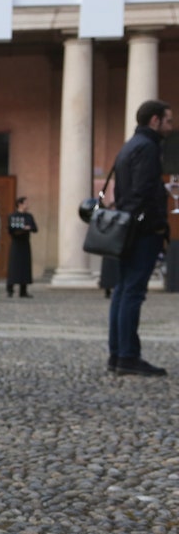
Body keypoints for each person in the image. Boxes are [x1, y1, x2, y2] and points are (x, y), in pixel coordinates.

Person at [108, 99, 172, 376]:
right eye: (168, 120)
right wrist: (155, 224)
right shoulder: (147, 147)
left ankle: (117, 355)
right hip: (142, 232)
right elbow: (142, 193)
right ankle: (128, 357)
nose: (171, 126)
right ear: (154, 120)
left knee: (123, 292)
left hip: (128, 230)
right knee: (132, 292)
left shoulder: (130, 145)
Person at [5, 197, 37, 298]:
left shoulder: (29, 216)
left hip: (25, 243)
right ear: (20, 204)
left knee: (25, 267)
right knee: (14, 266)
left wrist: (28, 228)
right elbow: (10, 228)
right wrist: (22, 228)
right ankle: (10, 289)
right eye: (26, 203)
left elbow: (35, 228)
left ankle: (23, 291)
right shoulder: (13, 216)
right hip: (16, 243)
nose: (27, 205)